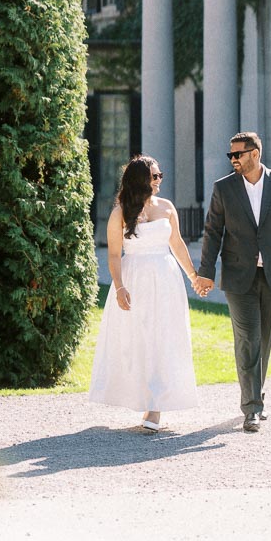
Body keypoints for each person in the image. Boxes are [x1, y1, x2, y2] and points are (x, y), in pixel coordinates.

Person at [196, 130, 271, 433]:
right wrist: (206, 272)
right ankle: (252, 408)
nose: (233, 159)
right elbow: (212, 232)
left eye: (238, 154)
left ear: (255, 154)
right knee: (248, 338)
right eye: (231, 155)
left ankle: (255, 393)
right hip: (238, 276)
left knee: (265, 338)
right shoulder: (223, 189)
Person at [89, 155, 202, 431]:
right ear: (141, 180)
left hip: (165, 279)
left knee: (164, 337)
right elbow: (114, 255)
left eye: (160, 174)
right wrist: (119, 287)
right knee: (137, 340)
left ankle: (156, 406)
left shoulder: (167, 208)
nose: (159, 179)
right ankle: (141, 396)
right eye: (155, 176)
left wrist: (193, 277)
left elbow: (177, 244)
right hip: (134, 279)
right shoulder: (120, 212)